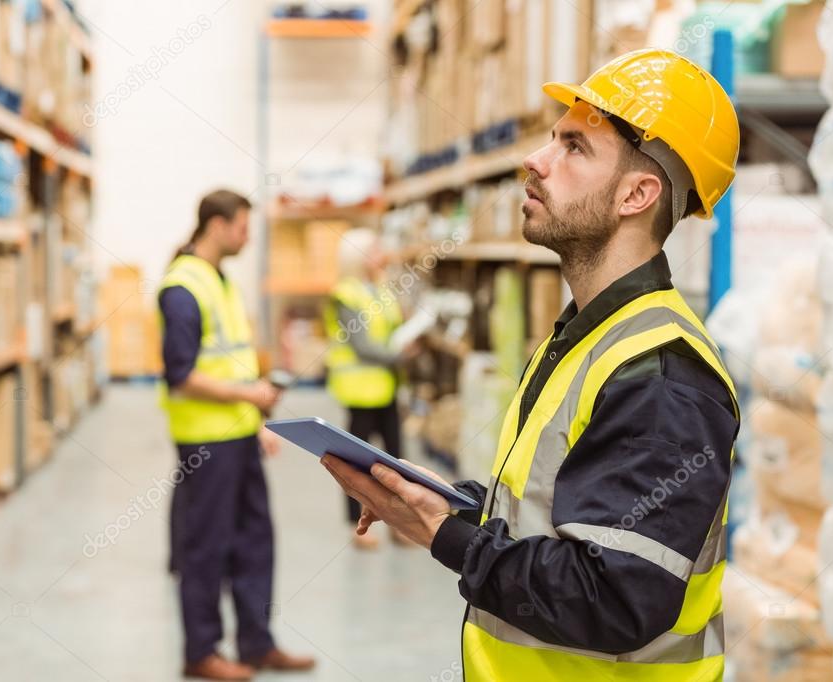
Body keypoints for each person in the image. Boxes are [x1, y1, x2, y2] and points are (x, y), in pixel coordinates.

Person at [322, 49, 741, 681]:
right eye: (551, 140)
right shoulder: (587, 335)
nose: (534, 162)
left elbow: (614, 599)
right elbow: (556, 517)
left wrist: (445, 534)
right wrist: (444, 502)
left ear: (636, 193)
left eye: (574, 147)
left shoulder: (659, 375)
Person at [160, 189, 315, 680]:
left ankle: (255, 642)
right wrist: (251, 400)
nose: (247, 238)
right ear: (218, 225)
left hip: (237, 436)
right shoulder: (183, 287)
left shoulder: (218, 281)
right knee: (206, 547)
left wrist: (254, 424)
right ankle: (200, 653)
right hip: (205, 443)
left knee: (255, 540)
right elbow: (181, 374)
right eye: (243, 227)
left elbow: (229, 362)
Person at [323, 228, 411, 549]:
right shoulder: (346, 294)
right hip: (360, 392)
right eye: (375, 250)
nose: (382, 255)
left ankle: (398, 525)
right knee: (356, 464)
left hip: (386, 388)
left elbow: (392, 329)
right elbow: (363, 347)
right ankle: (356, 526)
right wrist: (400, 354)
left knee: (396, 462)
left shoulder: (381, 290)